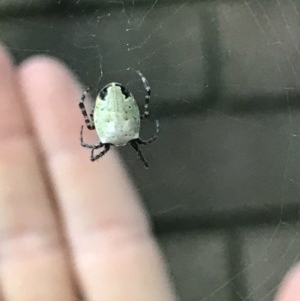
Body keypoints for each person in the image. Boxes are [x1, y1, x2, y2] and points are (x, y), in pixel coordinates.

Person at [0, 43, 297, 301]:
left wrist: (88, 109)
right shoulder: (130, 137)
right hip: (117, 119)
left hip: (110, 117)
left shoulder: (100, 140)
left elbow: (87, 134)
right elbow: (136, 124)